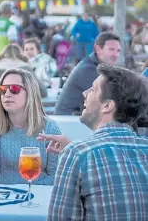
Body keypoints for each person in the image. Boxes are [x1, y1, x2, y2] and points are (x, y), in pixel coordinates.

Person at [41, 64, 148, 221]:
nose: (85, 94)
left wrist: (73, 152)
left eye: (92, 89)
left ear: (107, 105)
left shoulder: (78, 153)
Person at [0, 68, 61, 185]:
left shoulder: (49, 128)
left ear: (30, 93)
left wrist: (25, 191)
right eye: (2, 89)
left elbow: (56, 177)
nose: (7, 94)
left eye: (14, 89)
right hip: (2, 197)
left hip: (37, 198)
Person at [55, 32, 121, 115]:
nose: (116, 55)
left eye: (118, 51)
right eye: (111, 49)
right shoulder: (88, 70)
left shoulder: (98, 67)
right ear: (98, 49)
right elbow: (106, 101)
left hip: (78, 119)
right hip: (68, 122)